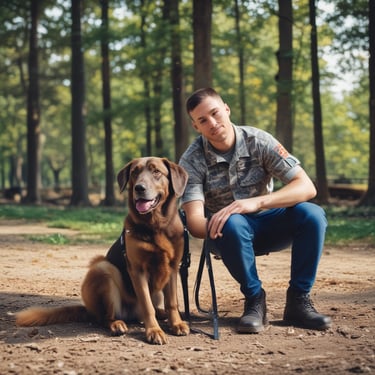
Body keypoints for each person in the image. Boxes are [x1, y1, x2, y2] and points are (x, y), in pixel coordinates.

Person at [179, 87, 332, 334]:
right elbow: (195, 223)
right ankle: (254, 300)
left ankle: (298, 301)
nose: (213, 123)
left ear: (227, 109)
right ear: (196, 127)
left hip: (268, 223)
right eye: (203, 120)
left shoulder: (259, 141)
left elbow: (306, 186)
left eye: (216, 113)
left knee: (312, 214)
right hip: (226, 235)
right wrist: (226, 219)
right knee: (234, 223)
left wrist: (257, 202)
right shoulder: (192, 160)